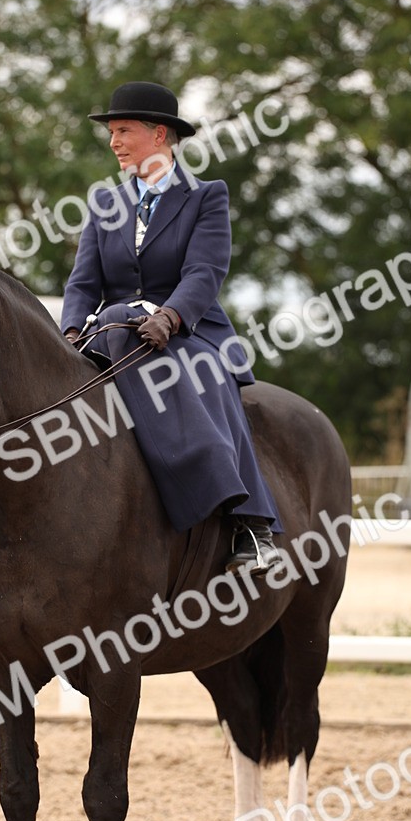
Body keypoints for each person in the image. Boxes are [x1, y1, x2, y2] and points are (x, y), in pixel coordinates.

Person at [61, 81, 281, 576]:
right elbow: (82, 283)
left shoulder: (205, 197)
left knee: (204, 376)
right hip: (113, 329)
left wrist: (170, 316)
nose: (114, 142)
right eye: (112, 132)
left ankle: (251, 522)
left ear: (159, 134)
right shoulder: (103, 202)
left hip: (184, 328)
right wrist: (71, 334)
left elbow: (204, 273)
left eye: (123, 131)